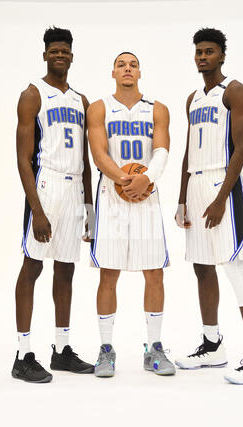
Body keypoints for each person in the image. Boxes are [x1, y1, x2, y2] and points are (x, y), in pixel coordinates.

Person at [175, 28, 243, 384]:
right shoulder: (192, 99)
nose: (203, 56)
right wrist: (183, 197)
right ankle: (212, 344)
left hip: (223, 184)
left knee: (234, 266)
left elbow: (242, 148)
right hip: (197, 182)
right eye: (199, 51)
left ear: (222, 55)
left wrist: (220, 200)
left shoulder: (233, 90)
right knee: (202, 267)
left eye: (210, 51)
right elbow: (188, 150)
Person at [12, 26, 94, 383]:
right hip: (45, 186)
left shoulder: (81, 100)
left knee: (66, 270)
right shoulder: (33, 95)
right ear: (45, 54)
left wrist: (90, 207)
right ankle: (22, 353)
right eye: (54, 51)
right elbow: (22, 158)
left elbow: (87, 159)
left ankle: (61, 350)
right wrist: (38, 209)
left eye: (65, 51)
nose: (60, 56)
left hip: (74, 188)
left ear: (72, 56)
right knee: (32, 267)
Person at [87, 52, 175, 377]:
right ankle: (106, 350)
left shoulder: (157, 109)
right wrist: (126, 180)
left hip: (147, 194)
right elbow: (98, 154)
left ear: (140, 72)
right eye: (122, 64)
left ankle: (154, 348)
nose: (127, 68)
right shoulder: (99, 108)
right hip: (112, 195)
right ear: (113, 72)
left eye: (133, 64)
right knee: (108, 274)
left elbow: (162, 151)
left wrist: (146, 179)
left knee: (154, 272)